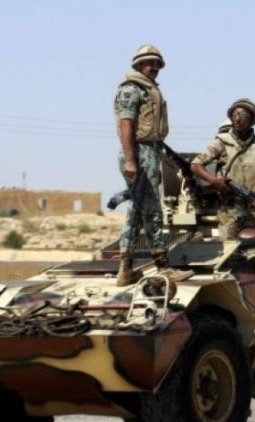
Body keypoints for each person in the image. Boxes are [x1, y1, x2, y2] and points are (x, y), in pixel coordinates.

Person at [112, 44, 169, 286]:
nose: (154, 67)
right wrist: (131, 160)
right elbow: (126, 124)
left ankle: (126, 269)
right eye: (149, 63)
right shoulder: (132, 89)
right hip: (139, 152)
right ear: (138, 65)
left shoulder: (149, 89)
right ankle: (163, 266)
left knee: (136, 210)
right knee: (152, 209)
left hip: (150, 151)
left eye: (157, 64)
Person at [190, 98, 255, 240]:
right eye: (234, 115)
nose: (237, 119)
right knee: (228, 248)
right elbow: (195, 164)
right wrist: (213, 181)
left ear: (251, 119)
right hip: (229, 209)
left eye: (242, 115)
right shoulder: (221, 142)